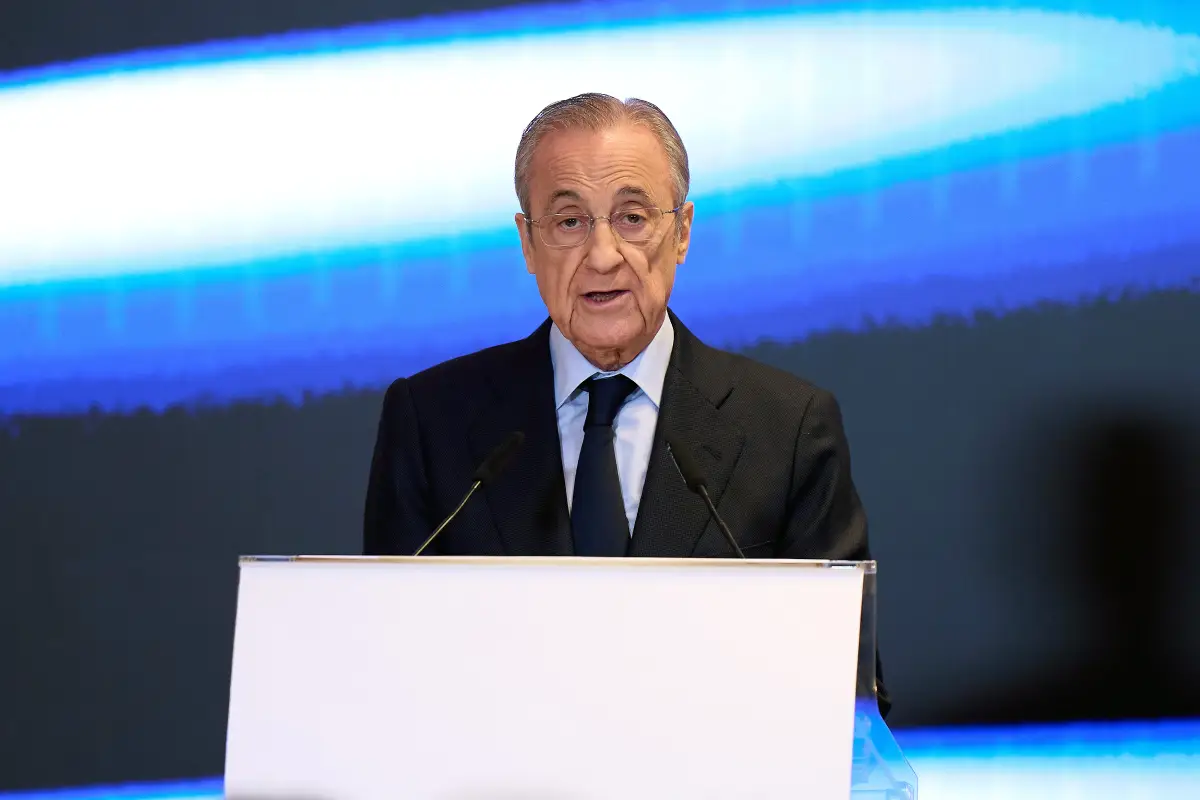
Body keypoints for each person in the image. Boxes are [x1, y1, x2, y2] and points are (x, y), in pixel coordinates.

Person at [363, 93, 888, 714]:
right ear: (527, 244)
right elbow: (388, 679)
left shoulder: (788, 430)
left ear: (683, 232)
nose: (603, 255)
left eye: (633, 217)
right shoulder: (431, 423)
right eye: (568, 222)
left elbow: (847, 698)